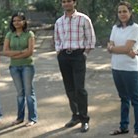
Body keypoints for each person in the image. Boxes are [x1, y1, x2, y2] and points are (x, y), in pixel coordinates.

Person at [54, 0, 96, 133]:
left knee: (80, 89)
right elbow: (57, 39)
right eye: (64, 1)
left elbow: (91, 39)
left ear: (74, 2)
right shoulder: (59, 21)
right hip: (64, 56)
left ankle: (84, 119)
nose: (66, 3)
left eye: (69, 1)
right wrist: (59, 52)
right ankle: (75, 115)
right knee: (69, 89)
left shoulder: (83, 19)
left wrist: (84, 54)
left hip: (78, 55)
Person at [107, 1, 138, 138]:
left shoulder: (135, 28)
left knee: (135, 99)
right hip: (116, 67)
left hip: (130, 68)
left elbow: (125, 48)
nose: (122, 14)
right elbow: (111, 46)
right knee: (123, 98)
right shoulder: (115, 28)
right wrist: (124, 50)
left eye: (124, 11)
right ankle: (123, 127)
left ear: (130, 12)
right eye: (119, 12)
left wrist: (118, 49)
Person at [2, 12, 38, 127]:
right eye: (14, 21)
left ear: (24, 22)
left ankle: (32, 118)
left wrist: (14, 54)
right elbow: (5, 51)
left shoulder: (29, 34)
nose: (16, 22)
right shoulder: (9, 34)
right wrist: (21, 52)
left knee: (29, 92)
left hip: (27, 66)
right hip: (14, 67)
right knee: (20, 93)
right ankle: (20, 118)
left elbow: (30, 52)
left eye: (19, 20)